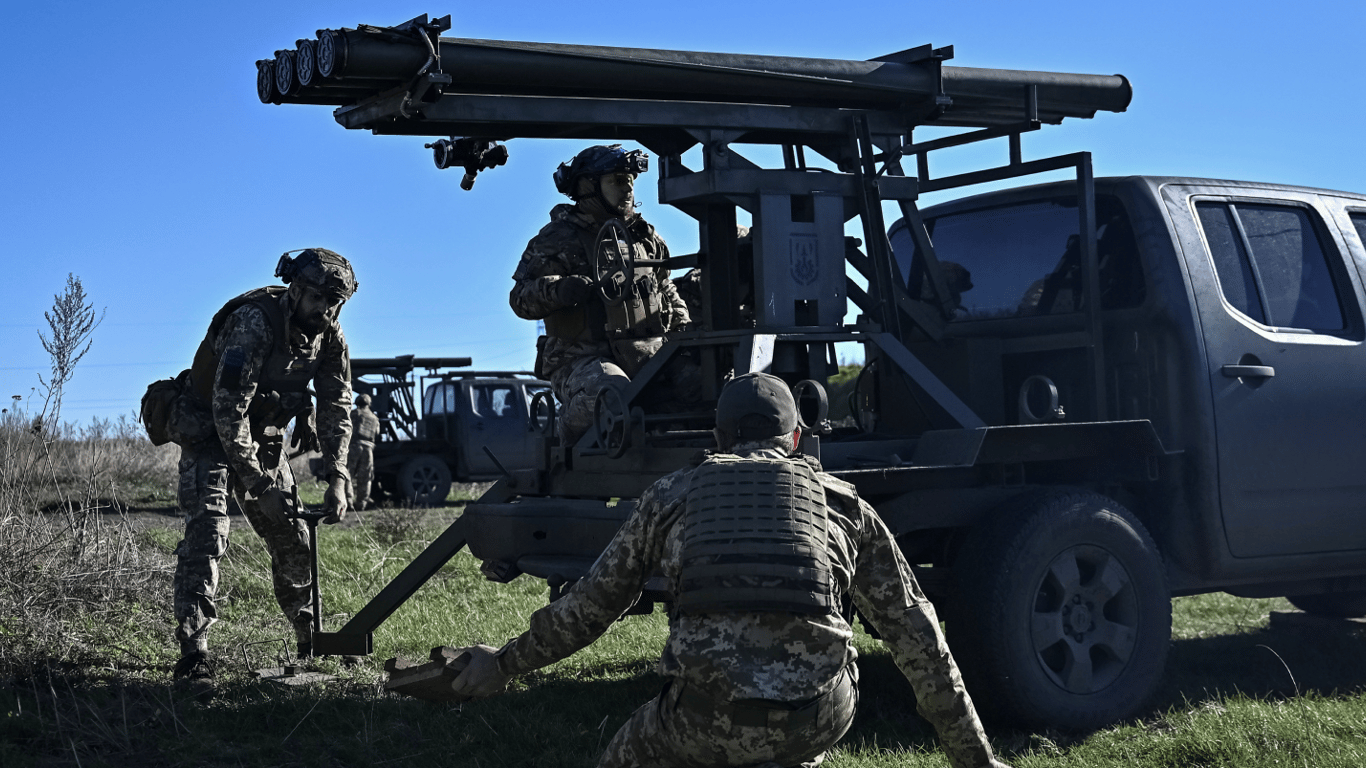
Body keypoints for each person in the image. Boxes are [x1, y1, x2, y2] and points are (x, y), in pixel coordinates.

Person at [450, 372, 1011, 768]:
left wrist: (502, 665)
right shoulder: (845, 507)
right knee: (844, 676)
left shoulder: (669, 496)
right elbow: (920, 640)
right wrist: (977, 761)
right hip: (814, 718)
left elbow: (589, 608)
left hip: (700, 726)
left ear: (718, 438)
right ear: (797, 438)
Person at [171, 248, 357, 680]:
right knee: (208, 534)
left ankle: (311, 639)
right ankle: (193, 653)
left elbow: (336, 406)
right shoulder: (254, 323)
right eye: (317, 299)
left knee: (293, 537)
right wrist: (258, 484)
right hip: (210, 432)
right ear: (295, 290)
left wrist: (338, 476)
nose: (325, 310)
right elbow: (228, 410)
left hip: (263, 435)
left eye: (335, 303)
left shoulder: (330, 336)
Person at [509, 144, 695, 444]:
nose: (628, 189)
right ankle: (563, 443)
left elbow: (665, 288)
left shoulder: (645, 237)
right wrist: (559, 290)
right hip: (581, 360)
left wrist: (685, 332)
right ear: (588, 187)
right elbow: (519, 299)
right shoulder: (557, 238)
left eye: (631, 181)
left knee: (704, 385)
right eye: (618, 180)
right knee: (611, 394)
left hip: (650, 354)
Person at [348, 393, 380, 511]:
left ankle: (348, 501)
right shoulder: (374, 417)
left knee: (348, 475)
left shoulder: (353, 414)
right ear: (369, 403)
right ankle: (361, 503)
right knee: (365, 477)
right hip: (368, 449)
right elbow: (376, 433)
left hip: (353, 446)